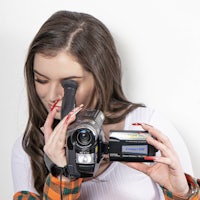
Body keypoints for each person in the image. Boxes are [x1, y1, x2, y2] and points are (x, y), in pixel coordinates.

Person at [11, 10, 200, 200]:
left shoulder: (148, 127)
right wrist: (63, 176)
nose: (52, 96)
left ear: (100, 78)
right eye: (41, 80)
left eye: (69, 85)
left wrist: (183, 193)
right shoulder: (28, 149)